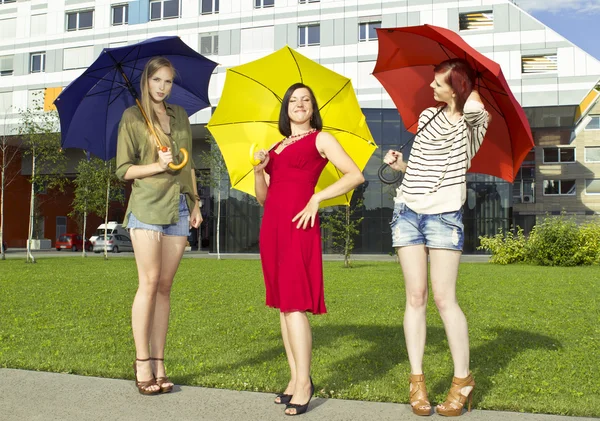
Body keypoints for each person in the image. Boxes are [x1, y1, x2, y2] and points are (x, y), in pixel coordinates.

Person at [383, 58, 489, 417]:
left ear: (458, 87)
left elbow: (474, 106)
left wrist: (470, 85)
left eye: (440, 84)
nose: (432, 88)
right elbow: (423, 165)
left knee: (445, 299)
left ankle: (463, 381)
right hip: (408, 211)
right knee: (416, 296)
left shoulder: (475, 123)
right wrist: (401, 167)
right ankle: (417, 382)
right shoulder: (428, 116)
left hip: (445, 215)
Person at [253, 83, 365, 416]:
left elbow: (354, 175)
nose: (299, 104)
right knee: (282, 305)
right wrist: (260, 171)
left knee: (295, 302)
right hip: (272, 227)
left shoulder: (321, 138)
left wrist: (317, 197)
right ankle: (294, 379)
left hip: (298, 225)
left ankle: (305, 383)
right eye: (293, 100)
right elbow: (263, 198)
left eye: (306, 100)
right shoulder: (275, 146)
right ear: (285, 108)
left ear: (312, 108)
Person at [115, 56, 202, 395]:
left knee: (165, 287)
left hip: (179, 208)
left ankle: (160, 363)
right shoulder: (132, 117)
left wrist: (195, 203)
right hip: (147, 207)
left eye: (167, 81)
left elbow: (188, 164)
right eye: (157, 81)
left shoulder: (179, 115)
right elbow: (123, 169)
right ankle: (142, 363)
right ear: (146, 82)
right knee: (149, 283)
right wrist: (155, 165)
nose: (162, 87)